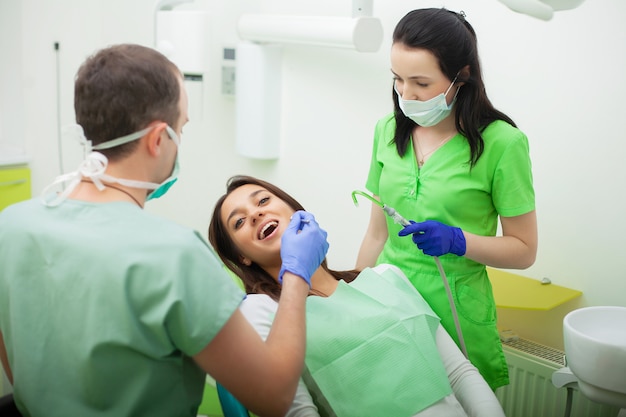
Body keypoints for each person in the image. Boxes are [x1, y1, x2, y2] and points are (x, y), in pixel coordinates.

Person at [0, 44, 329, 417]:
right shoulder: (176, 254)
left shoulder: (11, 226)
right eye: (181, 129)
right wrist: (297, 275)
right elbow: (272, 397)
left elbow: (14, 361)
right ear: (159, 140)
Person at [208, 175, 507, 417]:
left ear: (294, 210)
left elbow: (459, 374)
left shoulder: (387, 277)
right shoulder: (261, 309)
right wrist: (296, 274)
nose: (256, 213)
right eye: (239, 221)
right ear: (242, 257)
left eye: (263, 200)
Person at [356, 8, 537, 391]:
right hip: (391, 303)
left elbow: (524, 250)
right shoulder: (387, 130)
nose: (405, 94)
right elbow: (376, 235)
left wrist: (459, 241)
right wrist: (358, 296)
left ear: (462, 76)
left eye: (420, 82)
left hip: (455, 312)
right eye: (398, 80)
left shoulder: (503, 144)